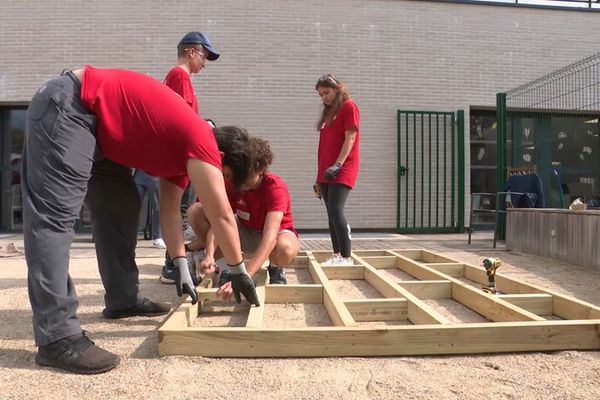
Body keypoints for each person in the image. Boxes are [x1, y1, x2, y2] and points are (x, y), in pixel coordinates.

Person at [22, 65, 259, 375]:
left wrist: (181, 264)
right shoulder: (201, 140)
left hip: (102, 135)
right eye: (224, 174)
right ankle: (57, 337)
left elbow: (170, 211)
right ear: (222, 156)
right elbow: (223, 214)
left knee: (122, 207)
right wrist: (238, 269)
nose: (218, 180)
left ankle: (123, 300)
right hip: (70, 106)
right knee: (55, 218)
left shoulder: (182, 153)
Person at [188, 137, 300, 294]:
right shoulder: (235, 184)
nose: (243, 180)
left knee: (285, 250)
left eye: (248, 174)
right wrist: (209, 254)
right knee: (196, 211)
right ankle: (225, 269)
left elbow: (270, 237)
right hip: (245, 231)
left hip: (275, 236)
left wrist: (244, 275)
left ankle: (276, 267)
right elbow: (219, 222)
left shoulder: (275, 188)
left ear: (261, 168)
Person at [160, 31, 219, 283]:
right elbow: (181, 117)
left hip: (178, 154)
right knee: (179, 210)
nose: (205, 62)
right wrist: (203, 125)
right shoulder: (179, 76)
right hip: (179, 154)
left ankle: (175, 263)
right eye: (204, 55)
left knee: (178, 209)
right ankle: (173, 265)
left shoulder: (179, 77)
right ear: (191, 52)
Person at [314, 74, 360, 266]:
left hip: (342, 167)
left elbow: (350, 137)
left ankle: (347, 257)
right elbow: (324, 148)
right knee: (330, 213)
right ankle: (337, 254)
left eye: (327, 92)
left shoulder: (349, 107)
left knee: (336, 209)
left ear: (337, 89)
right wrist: (319, 178)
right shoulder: (328, 114)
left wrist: (338, 165)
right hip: (326, 171)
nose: (324, 97)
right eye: (320, 94)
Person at [134, 169, 165, 248]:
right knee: (133, 207)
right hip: (139, 173)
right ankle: (128, 235)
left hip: (156, 174)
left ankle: (157, 236)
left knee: (158, 207)